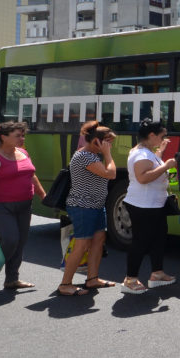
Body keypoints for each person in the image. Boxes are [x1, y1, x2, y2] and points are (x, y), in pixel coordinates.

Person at [0, 122, 46, 293]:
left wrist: (43, 195)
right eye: (18, 136)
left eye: (23, 135)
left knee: (20, 242)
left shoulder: (23, 153)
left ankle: (12, 279)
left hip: (24, 205)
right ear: (4, 137)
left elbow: (32, 176)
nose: (22, 139)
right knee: (10, 239)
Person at [60, 121, 118, 296]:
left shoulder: (93, 155)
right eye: (108, 143)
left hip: (96, 205)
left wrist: (105, 154)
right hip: (83, 206)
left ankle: (92, 279)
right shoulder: (85, 156)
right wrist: (108, 155)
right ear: (96, 142)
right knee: (82, 243)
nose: (110, 146)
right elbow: (111, 174)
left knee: (99, 240)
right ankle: (65, 284)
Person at [121, 118, 178, 294]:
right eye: (162, 136)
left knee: (158, 238)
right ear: (152, 135)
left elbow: (151, 164)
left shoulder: (146, 151)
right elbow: (143, 177)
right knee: (141, 241)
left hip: (154, 204)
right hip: (143, 205)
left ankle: (157, 273)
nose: (164, 139)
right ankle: (130, 280)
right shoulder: (141, 154)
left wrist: (160, 152)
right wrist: (166, 166)